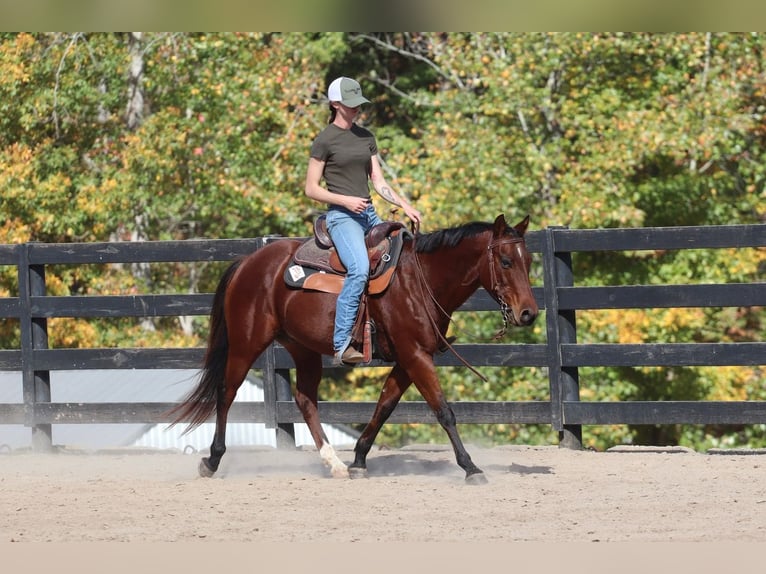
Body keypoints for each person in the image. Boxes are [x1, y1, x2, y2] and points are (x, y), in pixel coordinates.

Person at [305, 76, 422, 365]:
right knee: (358, 270)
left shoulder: (366, 137)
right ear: (335, 104)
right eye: (350, 104)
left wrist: (404, 205)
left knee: (404, 257)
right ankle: (342, 343)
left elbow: (378, 181)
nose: (356, 109)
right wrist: (345, 200)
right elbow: (311, 188)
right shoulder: (324, 140)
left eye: (358, 104)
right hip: (342, 217)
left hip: (369, 213)